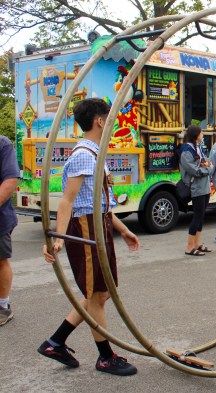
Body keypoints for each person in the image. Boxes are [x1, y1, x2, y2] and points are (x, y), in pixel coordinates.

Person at [40, 98, 139, 375]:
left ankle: (56, 341)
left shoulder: (94, 152)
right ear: (98, 121)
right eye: (109, 117)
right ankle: (105, 357)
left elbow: (98, 203)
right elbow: (68, 201)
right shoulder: (84, 154)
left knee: (100, 294)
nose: (112, 122)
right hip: (85, 229)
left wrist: (122, 229)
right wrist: (57, 238)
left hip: (98, 223)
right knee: (97, 294)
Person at [179, 125, 214, 256]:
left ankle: (197, 244)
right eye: (201, 132)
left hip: (204, 186)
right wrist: (209, 168)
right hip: (196, 187)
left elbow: (206, 162)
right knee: (197, 216)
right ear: (196, 135)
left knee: (201, 216)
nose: (203, 134)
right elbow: (195, 170)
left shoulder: (197, 148)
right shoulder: (186, 151)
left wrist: (206, 165)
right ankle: (189, 247)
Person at [0, 136, 19, 326]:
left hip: (0, 217)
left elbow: (10, 181)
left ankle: (3, 307)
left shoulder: (2, 144)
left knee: (0, 261)